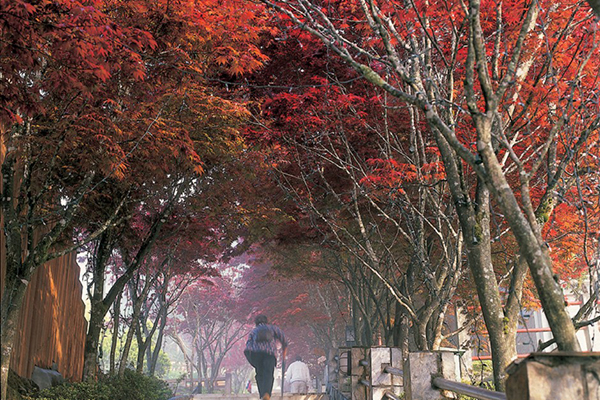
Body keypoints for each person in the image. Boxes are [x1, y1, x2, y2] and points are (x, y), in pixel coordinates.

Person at [244, 315, 287, 400]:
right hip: (269, 354)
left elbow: (248, 345)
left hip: (256, 355)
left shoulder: (254, 331)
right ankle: (267, 394)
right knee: (268, 374)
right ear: (267, 321)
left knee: (259, 375)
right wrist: (284, 355)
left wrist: (251, 359)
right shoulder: (272, 328)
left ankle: (262, 395)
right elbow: (284, 340)